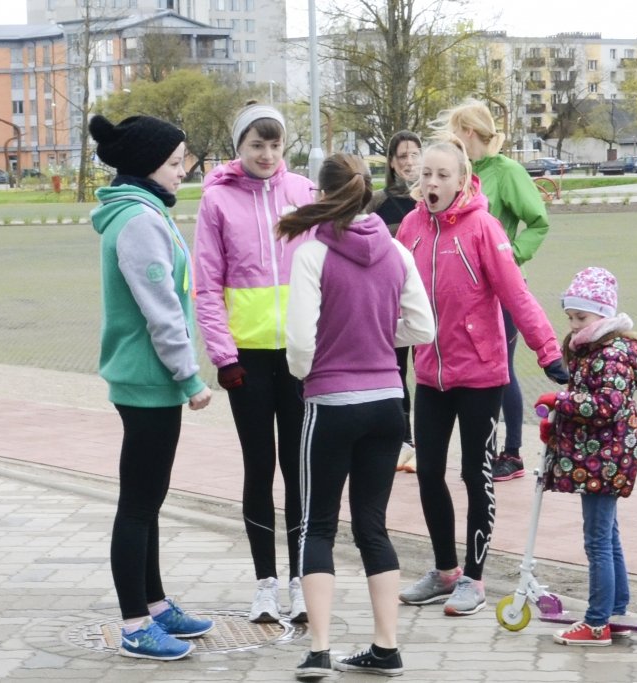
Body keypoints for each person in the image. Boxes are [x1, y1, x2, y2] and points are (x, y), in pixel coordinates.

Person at [396, 138, 567, 617]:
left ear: (461, 178)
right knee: (428, 471)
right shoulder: (409, 227)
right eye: (425, 174)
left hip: (480, 375)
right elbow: (387, 290)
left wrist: (548, 352)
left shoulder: (483, 228)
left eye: (442, 175)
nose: (431, 183)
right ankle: (445, 571)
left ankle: (473, 578)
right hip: (430, 374)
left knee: (476, 474)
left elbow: (517, 295)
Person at [281, 153, 434, 680]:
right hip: (388, 405)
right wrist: (375, 340)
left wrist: (310, 369)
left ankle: (320, 648)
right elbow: (423, 328)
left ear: (320, 195)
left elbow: (300, 343)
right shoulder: (395, 251)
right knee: (372, 525)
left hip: (331, 403)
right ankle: (385, 646)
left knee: (317, 524)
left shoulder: (311, 253)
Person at [88, 113, 214, 661]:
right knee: (138, 504)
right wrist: (189, 378)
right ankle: (136, 623)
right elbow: (161, 311)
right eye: (174, 162)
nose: (183, 171)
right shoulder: (139, 221)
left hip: (147, 378)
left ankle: (157, 604)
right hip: (149, 380)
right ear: (146, 167)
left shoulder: (143, 212)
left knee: (149, 499)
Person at [193, 101, 316, 624]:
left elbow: (326, 268)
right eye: (256, 145)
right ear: (239, 147)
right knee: (259, 469)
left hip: (299, 358)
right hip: (247, 360)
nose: (267, 155)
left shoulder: (304, 192)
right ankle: (265, 581)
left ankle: (300, 582)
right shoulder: (217, 200)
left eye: (275, 145)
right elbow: (205, 285)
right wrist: (223, 357)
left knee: (300, 471)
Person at [430, 99, 552, 482]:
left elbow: (538, 221)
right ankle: (481, 449)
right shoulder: (457, 171)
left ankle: (512, 452)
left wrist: (511, 257)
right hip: (463, 295)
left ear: (468, 132)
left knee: (502, 371)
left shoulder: (507, 172)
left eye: (454, 131)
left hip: (501, 291)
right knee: (471, 374)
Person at [539, 267, 637, 646]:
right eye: (569, 317)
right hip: (601, 456)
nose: (572, 324)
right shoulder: (595, 349)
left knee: (597, 539)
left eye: (580, 317)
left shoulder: (611, 354)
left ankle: (597, 621)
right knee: (608, 534)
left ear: (604, 315)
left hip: (605, 457)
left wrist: (561, 400)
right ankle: (616, 606)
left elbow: (606, 405)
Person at [364, 130, 423, 473]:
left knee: (428, 373)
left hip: (426, 301)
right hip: (391, 301)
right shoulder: (377, 201)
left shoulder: (429, 199)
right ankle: (404, 440)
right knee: (396, 372)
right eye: (402, 155)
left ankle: (427, 443)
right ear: (391, 162)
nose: (410, 161)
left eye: (415, 154)